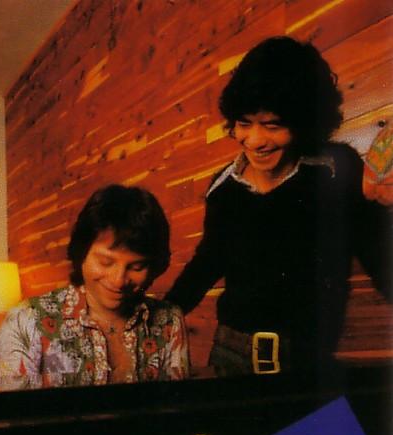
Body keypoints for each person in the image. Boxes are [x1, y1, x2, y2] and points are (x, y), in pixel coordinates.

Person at [166, 36, 392, 376]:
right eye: (244, 124)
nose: (255, 141)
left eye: (272, 125)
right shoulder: (222, 188)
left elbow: (380, 255)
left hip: (309, 360)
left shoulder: (338, 170)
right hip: (229, 355)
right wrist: (163, 316)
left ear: (304, 122)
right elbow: (208, 260)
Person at [0, 184, 189, 390]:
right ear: (81, 254)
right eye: (105, 262)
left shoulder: (170, 321)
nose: (118, 280)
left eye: (136, 267)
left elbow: (177, 405)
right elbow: (0, 408)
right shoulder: (27, 319)